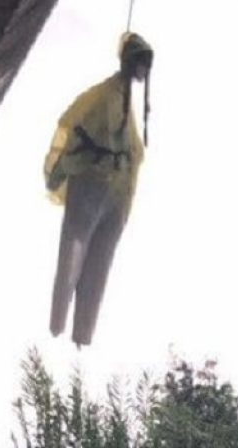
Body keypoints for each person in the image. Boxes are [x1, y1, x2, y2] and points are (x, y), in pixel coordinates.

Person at [44, 32, 153, 346]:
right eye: (140, 63)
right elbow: (76, 129)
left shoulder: (124, 101)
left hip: (116, 189)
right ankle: (58, 322)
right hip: (92, 181)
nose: (142, 72)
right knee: (74, 247)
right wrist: (62, 169)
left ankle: (82, 332)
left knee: (100, 259)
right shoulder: (104, 96)